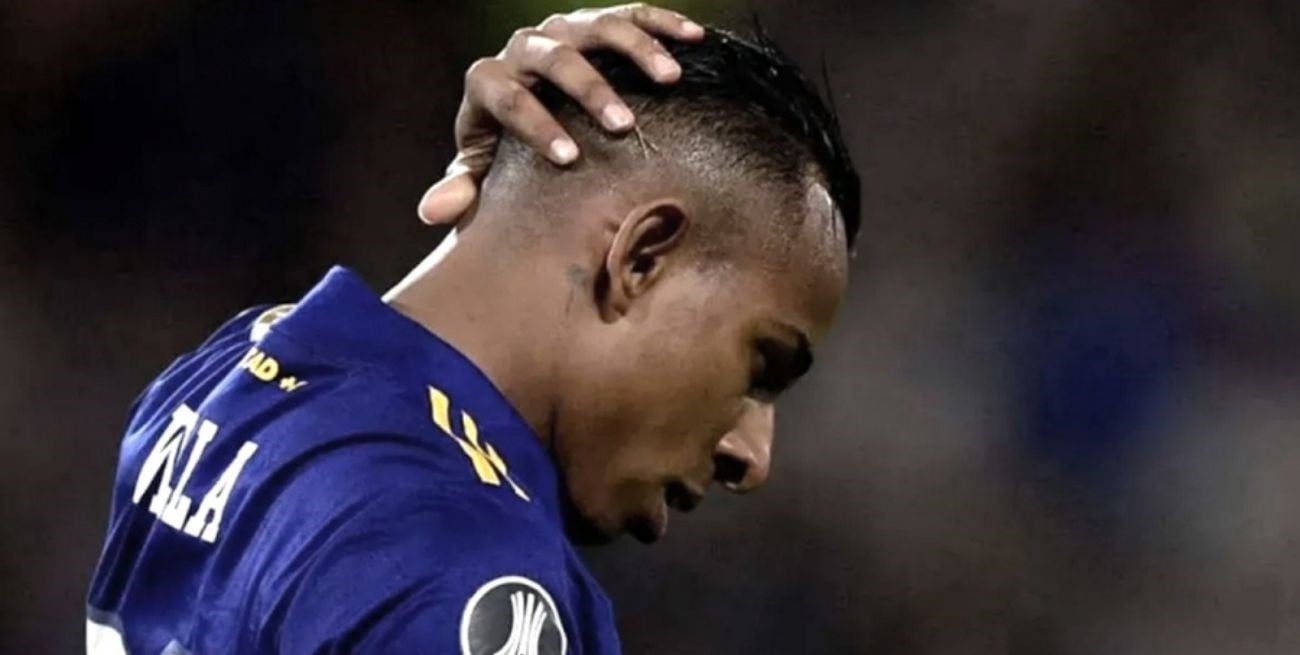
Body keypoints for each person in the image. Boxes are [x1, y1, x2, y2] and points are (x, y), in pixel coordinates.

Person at [86, 4, 860, 653]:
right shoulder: (466, 566)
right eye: (762, 366)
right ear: (642, 257)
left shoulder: (223, 378)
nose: (752, 456)